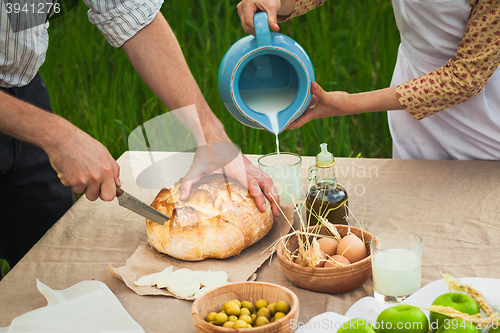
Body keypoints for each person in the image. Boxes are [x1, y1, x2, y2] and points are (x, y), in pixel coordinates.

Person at [0, 2, 278, 268]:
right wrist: (58, 136)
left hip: (24, 91)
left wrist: (212, 137)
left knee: (45, 260)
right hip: (34, 122)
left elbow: (130, 12)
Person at [237, 0, 500, 160]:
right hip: (409, 93)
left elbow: (465, 77)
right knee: (416, 210)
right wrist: (278, 2)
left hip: (480, 112)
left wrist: (348, 104)